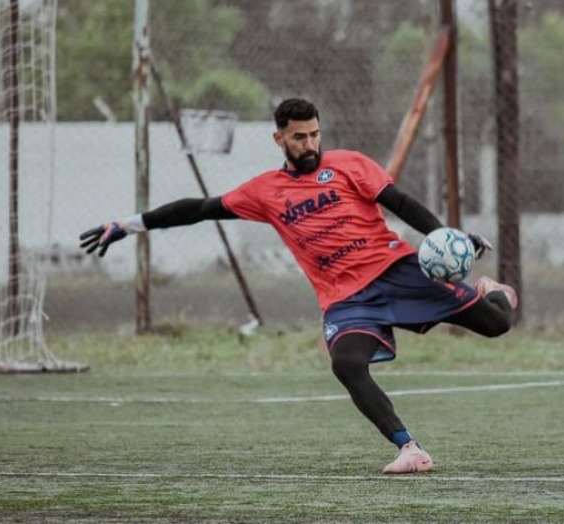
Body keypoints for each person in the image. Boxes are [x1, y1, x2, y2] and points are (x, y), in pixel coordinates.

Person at [80, 98, 518, 474]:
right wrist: (128, 224)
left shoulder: (348, 164)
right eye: (299, 138)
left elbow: (400, 202)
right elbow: (199, 208)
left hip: (397, 272)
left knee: (498, 323)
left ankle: (490, 288)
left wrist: (447, 238)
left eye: (314, 135)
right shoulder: (265, 191)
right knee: (346, 364)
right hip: (346, 298)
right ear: (279, 139)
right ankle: (409, 448)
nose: (310, 145)